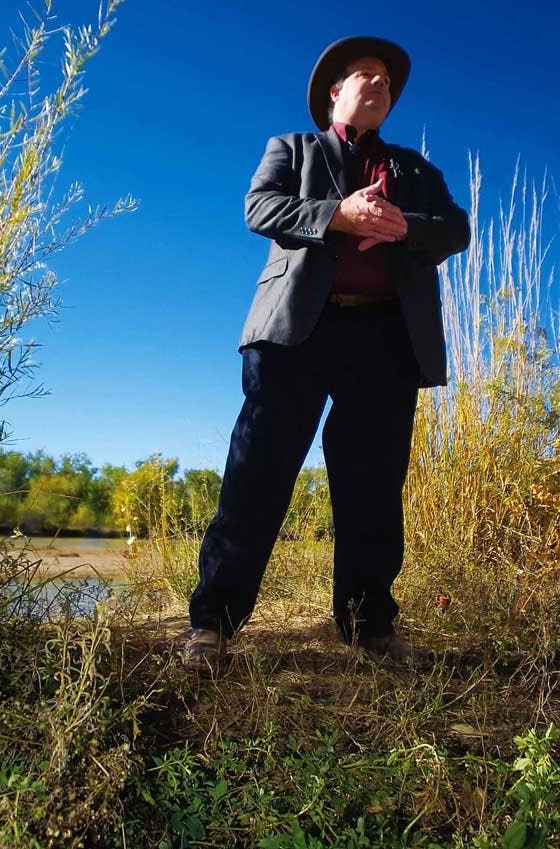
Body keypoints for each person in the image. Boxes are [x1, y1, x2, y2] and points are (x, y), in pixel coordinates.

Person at [184, 36, 470, 668]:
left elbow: (456, 229)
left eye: (386, 82)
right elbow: (259, 207)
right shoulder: (293, 148)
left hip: (386, 340)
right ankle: (214, 626)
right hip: (294, 335)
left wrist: (406, 226)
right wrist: (338, 214)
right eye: (364, 75)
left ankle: (369, 630)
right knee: (257, 476)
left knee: (372, 486)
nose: (378, 85)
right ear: (334, 93)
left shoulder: (416, 171)